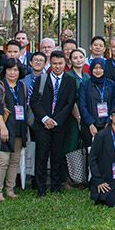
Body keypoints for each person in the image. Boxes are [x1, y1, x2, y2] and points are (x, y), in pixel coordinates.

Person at [31, 51, 78, 196]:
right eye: (54, 63)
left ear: (65, 64)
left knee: (57, 156)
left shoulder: (70, 81)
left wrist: (56, 120)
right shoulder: (41, 79)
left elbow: (70, 103)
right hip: (42, 125)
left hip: (60, 125)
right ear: (49, 64)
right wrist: (45, 118)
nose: (57, 66)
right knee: (42, 156)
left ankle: (56, 186)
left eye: (60, 63)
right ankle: (40, 188)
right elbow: (34, 101)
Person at [0, 60, 29, 201]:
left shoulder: (22, 86)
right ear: (4, 71)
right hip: (4, 129)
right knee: (2, 161)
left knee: (14, 161)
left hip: (18, 128)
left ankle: (10, 190)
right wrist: (2, 128)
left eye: (16, 70)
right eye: (9, 70)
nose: (13, 73)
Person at [77, 58, 115, 145]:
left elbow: (114, 103)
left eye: (101, 68)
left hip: (107, 124)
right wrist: (90, 124)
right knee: (91, 153)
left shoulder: (111, 84)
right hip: (89, 125)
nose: (98, 71)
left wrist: (108, 122)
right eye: (95, 68)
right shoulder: (84, 85)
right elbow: (82, 105)